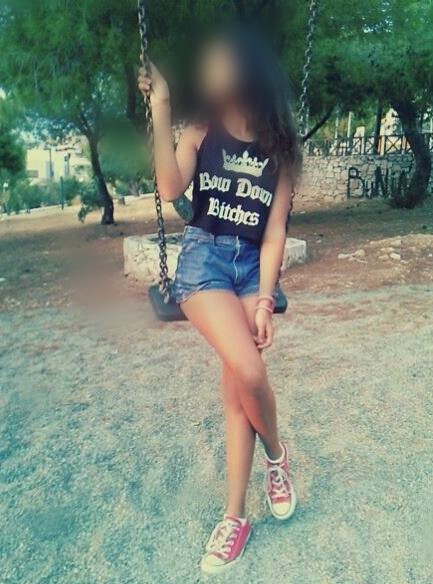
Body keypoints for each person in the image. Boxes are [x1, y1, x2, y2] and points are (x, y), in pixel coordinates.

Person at [138, 28, 302, 575]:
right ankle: (277, 456)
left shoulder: (281, 149)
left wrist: (264, 301)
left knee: (238, 387)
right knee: (250, 370)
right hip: (205, 260)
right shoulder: (200, 130)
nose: (208, 71)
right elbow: (169, 188)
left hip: (252, 266)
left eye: (218, 62)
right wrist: (161, 105)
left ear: (248, 68)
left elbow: (274, 232)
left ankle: (235, 517)